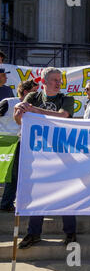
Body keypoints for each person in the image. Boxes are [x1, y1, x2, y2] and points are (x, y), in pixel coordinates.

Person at [14, 67, 77, 248]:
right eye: (54, 80)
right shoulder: (32, 97)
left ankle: (70, 233)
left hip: (60, 152)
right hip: (37, 153)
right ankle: (33, 233)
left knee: (66, 192)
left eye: (60, 80)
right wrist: (19, 112)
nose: (59, 83)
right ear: (44, 82)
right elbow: (19, 119)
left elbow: (63, 115)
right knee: (38, 193)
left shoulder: (66, 99)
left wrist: (32, 110)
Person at [0, 80, 39, 212]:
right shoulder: (8, 102)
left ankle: (6, 203)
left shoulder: (33, 108)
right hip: (3, 143)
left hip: (19, 143)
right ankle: (6, 203)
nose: (37, 95)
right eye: (35, 91)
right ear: (26, 92)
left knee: (14, 174)